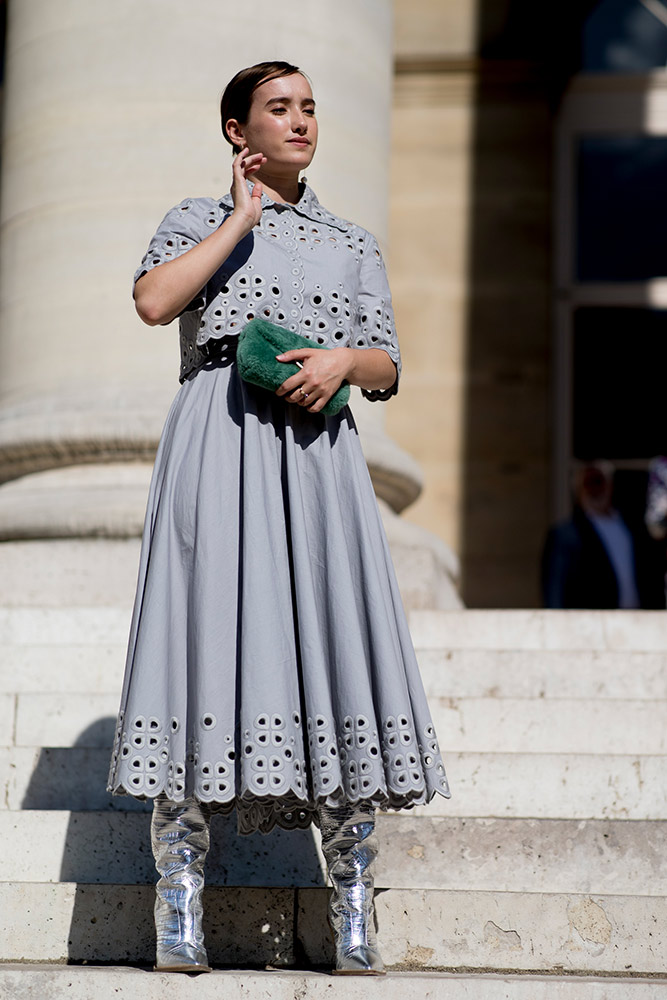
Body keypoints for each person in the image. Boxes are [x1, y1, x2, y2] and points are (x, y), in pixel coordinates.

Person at [107, 61, 450, 976]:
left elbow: (388, 361)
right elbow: (152, 302)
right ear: (237, 132)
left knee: (333, 646)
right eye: (278, 108)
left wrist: (342, 362)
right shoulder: (195, 218)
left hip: (317, 460)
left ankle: (350, 905)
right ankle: (177, 901)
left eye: (307, 108)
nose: (299, 121)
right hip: (218, 446)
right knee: (197, 641)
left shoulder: (350, 240)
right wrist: (239, 222)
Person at [541, 461, 665, 609]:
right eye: (588, 483)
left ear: (610, 485)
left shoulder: (633, 528)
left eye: (598, 481)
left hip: (638, 621)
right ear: (578, 489)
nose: (595, 489)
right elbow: (555, 590)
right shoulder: (565, 534)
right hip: (590, 625)